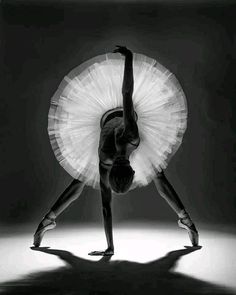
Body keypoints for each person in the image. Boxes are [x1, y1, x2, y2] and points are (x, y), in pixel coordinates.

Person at [33, 46, 199, 255]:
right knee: (158, 175)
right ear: (131, 171)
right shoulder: (128, 137)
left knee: (81, 179)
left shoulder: (123, 143)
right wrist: (129, 58)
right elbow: (127, 94)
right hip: (112, 117)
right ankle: (187, 221)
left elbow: (105, 207)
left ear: (132, 171)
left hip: (110, 117)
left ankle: (47, 221)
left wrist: (110, 248)